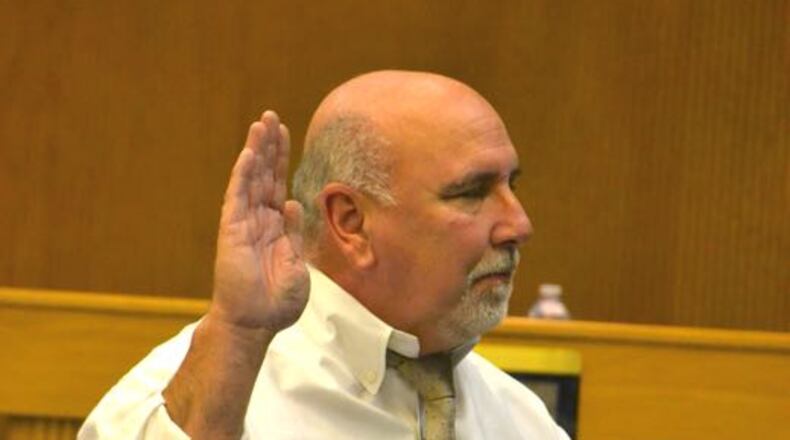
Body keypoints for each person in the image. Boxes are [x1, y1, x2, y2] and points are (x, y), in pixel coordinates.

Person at [79, 71, 569, 440]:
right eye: (470, 193)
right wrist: (239, 333)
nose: (518, 225)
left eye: (512, 185)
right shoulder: (187, 401)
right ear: (351, 222)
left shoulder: (520, 420)